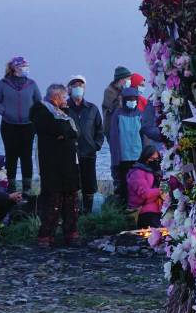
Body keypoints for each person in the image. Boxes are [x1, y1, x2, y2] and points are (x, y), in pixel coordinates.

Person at [31, 84, 80, 247]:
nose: (66, 100)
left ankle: (71, 234)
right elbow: (57, 128)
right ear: (55, 97)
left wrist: (64, 134)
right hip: (52, 165)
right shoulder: (41, 110)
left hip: (68, 164)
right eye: (64, 97)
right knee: (53, 201)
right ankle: (46, 236)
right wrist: (63, 133)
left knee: (71, 202)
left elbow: (72, 132)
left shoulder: (63, 112)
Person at [0, 56, 41, 194]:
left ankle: (27, 188)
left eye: (27, 66)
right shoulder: (3, 83)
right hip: (9, 125)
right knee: (11, 156)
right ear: (14, 68)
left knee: (26, 157)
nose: (25, 68)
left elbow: (39, 102)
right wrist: (5, 112)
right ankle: (11, 186)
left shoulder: (32, 84)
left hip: (28, 125)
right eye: (22, 66)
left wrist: (34, 116)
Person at [109, 87, 164, 205]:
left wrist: (146, 156)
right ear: (124, 100)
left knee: (139, 187)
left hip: (138, 158)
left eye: (134, 99)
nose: (132, 101)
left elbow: (145, 137)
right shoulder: (117, 115)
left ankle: (138, 210)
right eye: (129, 99)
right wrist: (115, 161)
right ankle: (125, 212)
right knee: (123, 188)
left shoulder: (140, 114)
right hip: (123, 159)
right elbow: (114, 138)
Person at [65, 75, 104, 214]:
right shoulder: (64, 108)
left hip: (88, 152)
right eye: (75, 85)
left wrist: (97, 145)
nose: (78, 88)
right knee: (72, 186)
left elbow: (100, 129)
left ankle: (87, 213)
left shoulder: (92, 108)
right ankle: (73, 214)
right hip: (70, 154)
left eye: (80, 85)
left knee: (89, 186)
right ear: (69, 89)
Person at [102, 66, 132, 194]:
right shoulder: (110, 91)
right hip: (113, 131)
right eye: (127, 79)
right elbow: (113, 108)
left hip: (125, 130)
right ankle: (118, 185)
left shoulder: (124, 91)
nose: (129, 81)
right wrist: (122, 98)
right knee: (117, 159)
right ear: (120, 80)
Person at [127, 144, 163, 229]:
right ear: (145, 158)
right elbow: (145, 193)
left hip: (156, 207)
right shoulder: (137, 173)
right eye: (152, 159)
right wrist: (161, 190)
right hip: (142, 211)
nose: (154, 161)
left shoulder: (155, 171)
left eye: (157, 159)